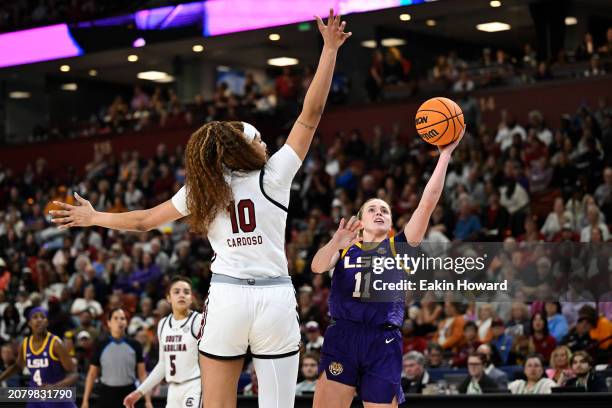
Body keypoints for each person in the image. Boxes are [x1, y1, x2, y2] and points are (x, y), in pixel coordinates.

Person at [51, 9, 351, 408]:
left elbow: (143, 222)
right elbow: (310, 115)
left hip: (228, 298)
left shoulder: (201, 190)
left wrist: (93, 217)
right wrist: (329, 49)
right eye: (259, 140)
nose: (265, 145)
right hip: (275, 299)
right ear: (243, 149)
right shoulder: (273, 174)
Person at [310, 127, 464, 407]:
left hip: (383, 340)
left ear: (391, 223)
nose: (379, 212)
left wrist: (445, 155)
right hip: (343, 335)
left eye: (385, 210)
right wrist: (335, 240)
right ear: (360, 220)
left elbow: (427, 203)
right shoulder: (344, 247)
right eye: (373, 209)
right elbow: (318, 267)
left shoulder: (399, 247)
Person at [124, 276, 203, 408]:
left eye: (186, 292)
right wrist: (139, 392)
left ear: (191, 298)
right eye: (176, 292)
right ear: (168, 298)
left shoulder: (198, 321)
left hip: (194, 385)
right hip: (172, 389)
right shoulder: (163, 325)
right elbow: (163, 365)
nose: (182, 295)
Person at [0, 307, 78, 408]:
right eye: (35, 317)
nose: (39, 320)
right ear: (29, 323)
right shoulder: (25, 344)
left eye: (43, 317)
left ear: (47, 322)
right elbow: (18, 366)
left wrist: (55, 387)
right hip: (35, 397)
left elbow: (74, 374)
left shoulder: (55, 344)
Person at [81, 308, 150, 408]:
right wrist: (85, 400)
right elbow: (92, 374)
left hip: (129, 393)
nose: (119, 321)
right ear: (109, 323)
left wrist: (148, 400)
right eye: (116, 318)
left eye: (122, 318)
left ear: (126, 323)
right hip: (107, 394)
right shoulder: (100, 345)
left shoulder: (135, 345)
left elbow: (142, 375)